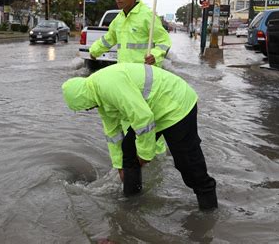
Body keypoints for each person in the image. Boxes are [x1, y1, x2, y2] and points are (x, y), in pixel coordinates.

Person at [61, 63, 218, 210]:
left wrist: (145, 154)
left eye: (85, 107)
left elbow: (143, 119)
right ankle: (132, 200)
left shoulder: (107, 85)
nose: (89, 109)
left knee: (188, 164)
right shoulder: (98, 96)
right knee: (128, 149)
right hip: (154, 109)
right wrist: (119, 166)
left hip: (175, 105)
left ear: (82, 98)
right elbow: (113, 134)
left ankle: (208, 208)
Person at [89, 0, 171, 67]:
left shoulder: (148, 15)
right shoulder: (119, 19)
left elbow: (164, 41)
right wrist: (94, 51)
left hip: (144, 72)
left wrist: (155, 55)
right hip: (124, 72)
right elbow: (109, 38)